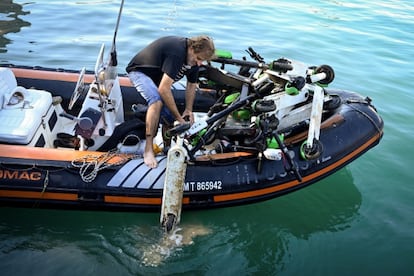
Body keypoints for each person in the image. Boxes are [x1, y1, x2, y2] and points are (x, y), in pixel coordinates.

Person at [126, 35, 215, 168]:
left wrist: (188, 110)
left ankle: (166, 149)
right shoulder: (177, 53)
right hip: (139, 72)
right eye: (199, 59)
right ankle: (148, 150)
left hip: (158, 78)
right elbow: (163, 89)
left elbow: (191, 85)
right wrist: (179, 118)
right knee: (156, 101)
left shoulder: (194, 62)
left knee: (169, 114)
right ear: (192, 49)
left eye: (202, 61)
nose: (199, 63)